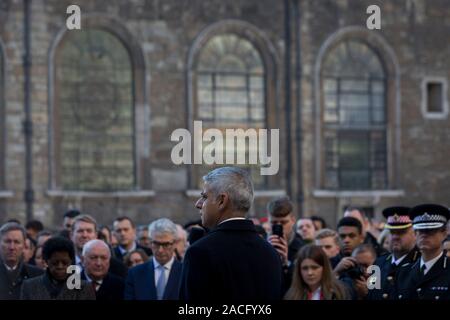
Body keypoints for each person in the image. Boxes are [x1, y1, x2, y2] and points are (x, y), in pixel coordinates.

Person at [179, 167, 283, 301]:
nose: (198, 204)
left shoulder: (200, 252)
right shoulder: (270, 253)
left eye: (204, 197)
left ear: (222, 201)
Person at [396, 204, 450, 300]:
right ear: (415, 234)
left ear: (444, 233)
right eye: (420, 231)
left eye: (430, 230)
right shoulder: (403, 272)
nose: (424, 235)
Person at [367, 206, 420, 300]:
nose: (395, 237)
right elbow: (370, 295)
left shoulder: (420, 263)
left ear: (415, 234)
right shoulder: (377, 264)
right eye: (392, 232)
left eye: (401, 232)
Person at [20, 236, 95, 300]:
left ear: (71, 261)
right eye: (55, 263)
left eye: (65, 263)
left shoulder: (84, 288)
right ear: (46, 261)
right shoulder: (30, 287)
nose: (60, 266)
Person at [125, 218, 182, 300]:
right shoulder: (135, 274)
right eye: (156, 244)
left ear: (175, 243)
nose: (160, 250)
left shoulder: (185, 273)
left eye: (166, 244)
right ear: (150, 242)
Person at [71, 215, 127, 279]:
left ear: (96, 235)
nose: (85, 235)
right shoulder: (63, 265)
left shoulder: (116, 268)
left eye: (89, 231)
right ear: (71, 235)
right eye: (80, 231)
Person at [0, 223, 43, 299]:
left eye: (17, 242)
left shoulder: (37, 276)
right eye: (7, 241)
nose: (12, 247)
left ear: (24, 245)